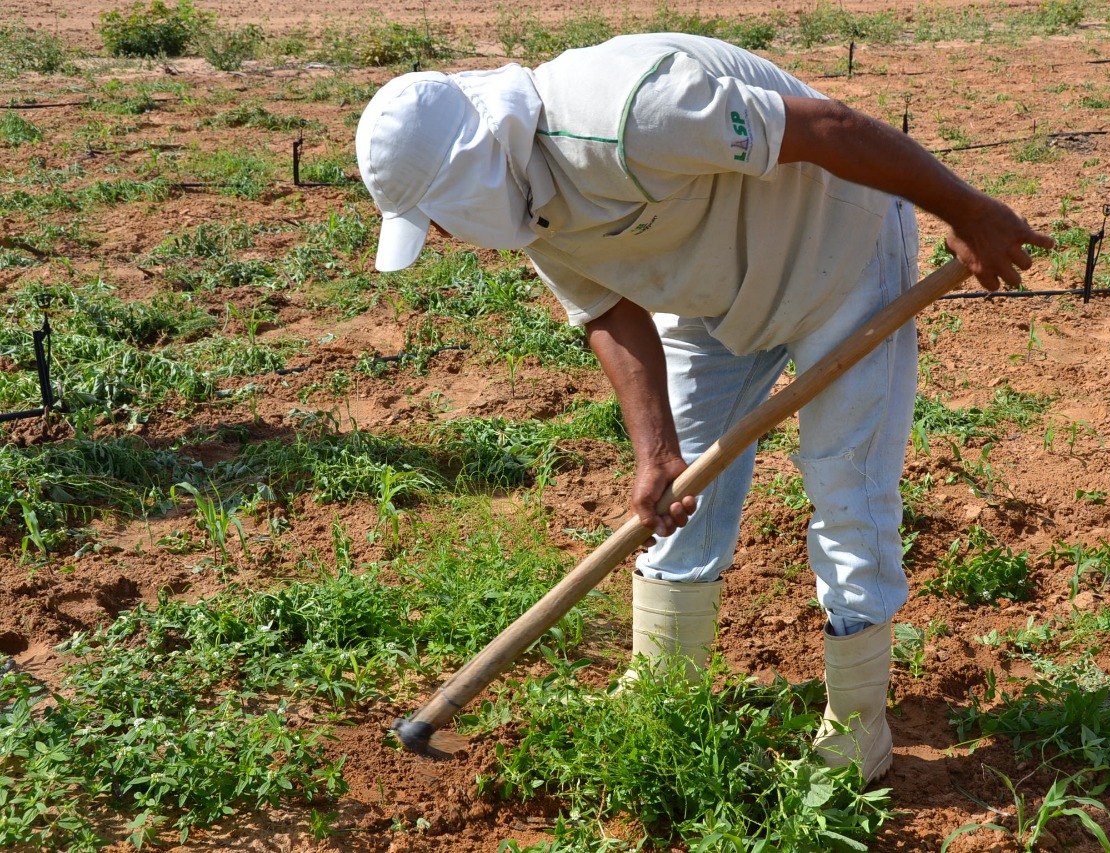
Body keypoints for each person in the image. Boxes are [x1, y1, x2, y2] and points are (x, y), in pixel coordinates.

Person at [355, 32, 1053, 782]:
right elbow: (608, 310)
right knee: (677, 493)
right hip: (713, 293)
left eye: (436, 217)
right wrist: (655, 450)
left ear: (466, 178)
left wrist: (968, 210)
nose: (443, 235)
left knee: (848, 490)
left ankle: (857, 732)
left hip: (839, 255)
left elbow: (829, 128)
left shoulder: (629, 113)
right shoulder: (521, 194)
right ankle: (664, 685)